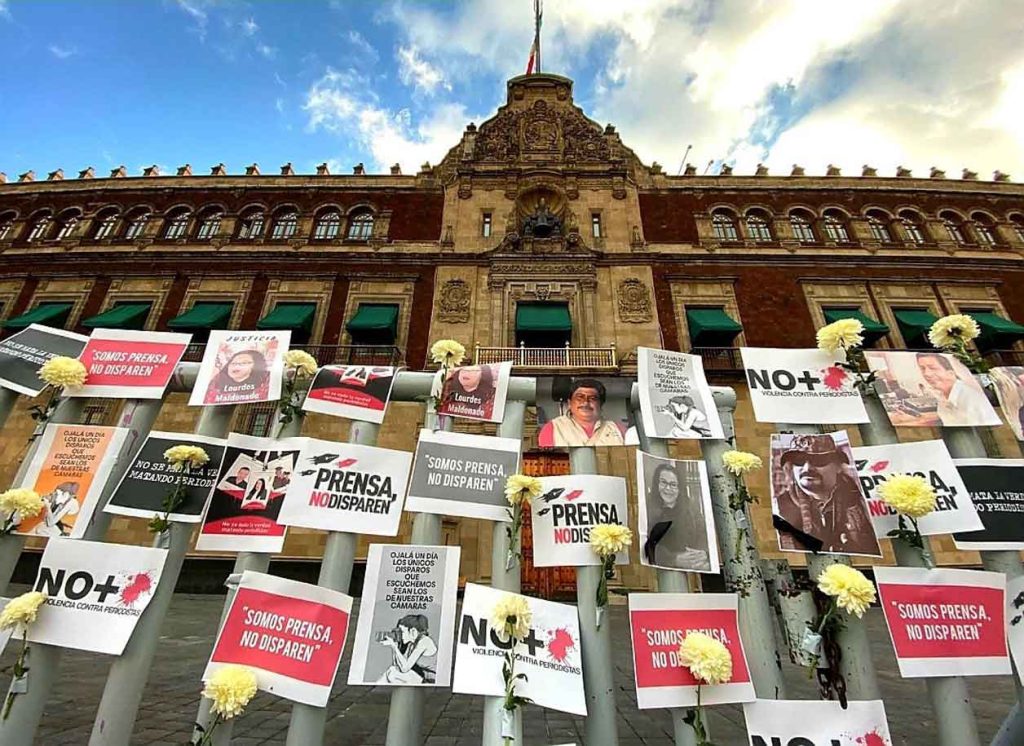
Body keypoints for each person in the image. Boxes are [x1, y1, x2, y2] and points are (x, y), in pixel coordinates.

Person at [774, 434, 878, 555]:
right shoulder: (779, 508)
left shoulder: (861, 500)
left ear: (838, 466)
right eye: (799, 461)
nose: (807, 467)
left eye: (819, 461)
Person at [642, 461, 710, 570]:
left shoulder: (690, 507)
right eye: (663, 482)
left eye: (673, 484)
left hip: (695, 566)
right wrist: (674, 559)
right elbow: (646, 543)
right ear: (656, 484)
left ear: (679, 488)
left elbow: (704, 533)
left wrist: (704, 553)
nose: (668, 489)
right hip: (663, 568)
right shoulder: (647, 507)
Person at [538, 378, 626, 447]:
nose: (585, 403)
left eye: (592, 398)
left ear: (601, 404)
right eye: (580, 397)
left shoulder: (619, 430)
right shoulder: (552, 429)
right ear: (569, 403)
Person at [915, 352, 993, 426]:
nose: (926, 374)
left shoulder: (970, 397)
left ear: (951, 373)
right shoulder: (943, 394)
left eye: (933, 368)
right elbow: (947, 417)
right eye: (922, 368)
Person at [377, 614, 437, 685]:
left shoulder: (425, 641)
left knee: (392, 673)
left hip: (432, 682)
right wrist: (395, 645)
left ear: (413, 631)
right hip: (421, 678)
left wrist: (394, 647)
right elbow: (397, 666)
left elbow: (404, 668)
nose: (400, 635)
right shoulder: (411, 644)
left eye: (402, 632)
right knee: (392, 671)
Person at [205, 348, 270, 404]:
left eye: (244, 363)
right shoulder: (215, 384)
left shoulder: (266, 383)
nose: (237, 366)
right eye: (233, 363)